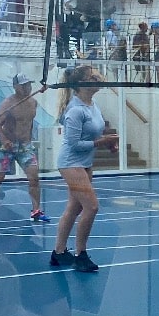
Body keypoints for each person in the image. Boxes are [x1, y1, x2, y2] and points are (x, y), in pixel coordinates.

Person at [50, 64, 116, 272]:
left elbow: (94, 133)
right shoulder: (76, 110)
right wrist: (101, 142)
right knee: (92, 207)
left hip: (85, 163)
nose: (97, 78)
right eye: (92, 76)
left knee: (74, 208)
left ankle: (58, 253)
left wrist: (108, 143)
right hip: (71, 163)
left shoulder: (92, 104)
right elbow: (74, 143)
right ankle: (81, 254)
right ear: (82, 84)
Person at [0, 73, 47, 222]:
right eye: (23, 85)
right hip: (8, 147)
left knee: (34, 177)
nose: (27, 88)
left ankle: (36, 210)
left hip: (25, 147)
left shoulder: (33, 102)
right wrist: (4, 140)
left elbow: (28, 124)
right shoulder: (8, 103)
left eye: (29, 84)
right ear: (16, 87)